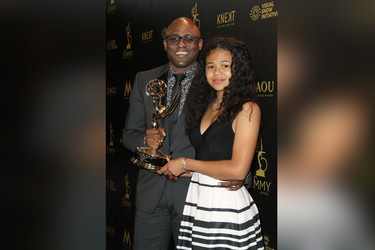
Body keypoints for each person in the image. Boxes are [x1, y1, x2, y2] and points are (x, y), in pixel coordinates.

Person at [123, 17, 244, 250]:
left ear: (200, 45)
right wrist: (144, 139)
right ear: (165, 44)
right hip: (150, 196)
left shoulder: (214, 79)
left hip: (196, 196)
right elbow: (129, 134)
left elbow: (232, 133)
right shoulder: (143, 80)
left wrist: (241, 175)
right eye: (174, 38)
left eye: (189, 39)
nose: (181, 44)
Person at [158, 37, 265, 249]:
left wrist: (186, 164)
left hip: (226, 206)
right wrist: (179, 168)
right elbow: (210, 160)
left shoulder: (248, 109)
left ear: (238, 69)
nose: (217, 73)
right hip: (199, 200)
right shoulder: (206, 106)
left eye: (225, 66)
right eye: (211, 66)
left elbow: (237, 170)